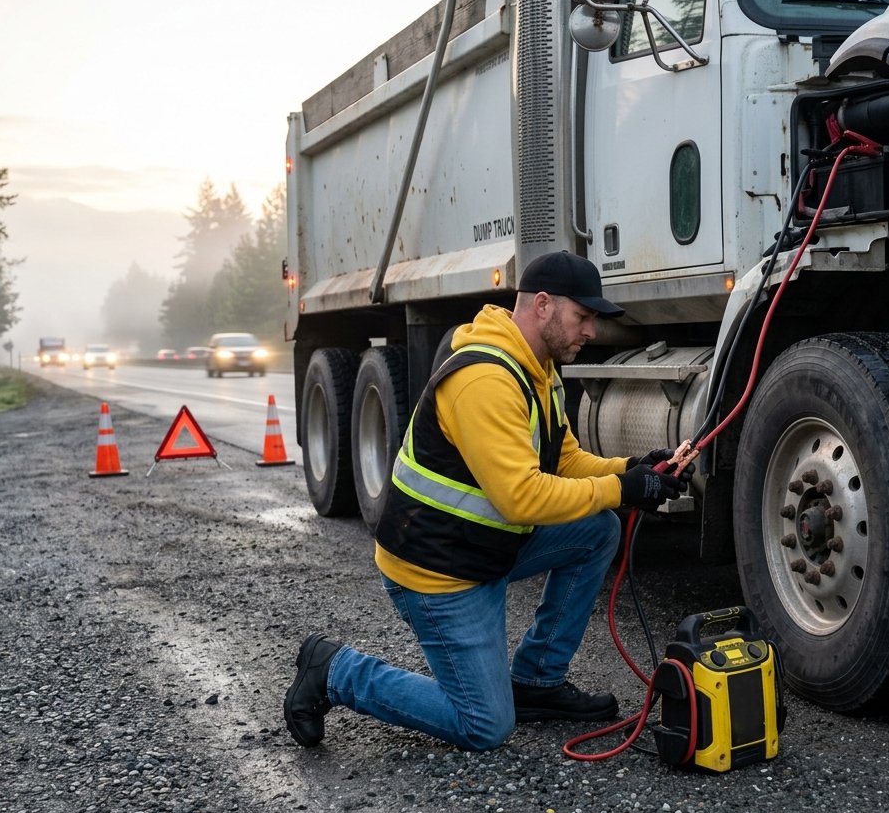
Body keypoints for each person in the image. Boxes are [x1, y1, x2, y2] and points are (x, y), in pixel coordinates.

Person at [284, 250, 693, 752]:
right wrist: (622, 491)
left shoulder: (538, 371)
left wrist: (629, 470)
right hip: (437, 570)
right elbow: (521, 497)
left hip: (481, 549)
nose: (591, 331)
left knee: (597, 529)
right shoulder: (486, 380)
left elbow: (562, 461)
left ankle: (536, 683)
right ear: (542, 305)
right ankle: (334, 671)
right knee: (484, 724)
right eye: (582, 317)